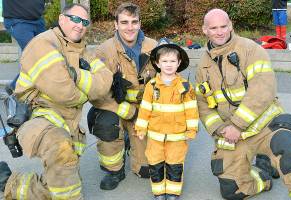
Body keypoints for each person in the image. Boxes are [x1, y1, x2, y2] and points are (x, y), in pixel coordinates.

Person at [0, 4, 113, 199]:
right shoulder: (43, 44)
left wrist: (74, 74)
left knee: (63, 185)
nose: (80, 25)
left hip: (69, 123)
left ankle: (6, 180)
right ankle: (9, 183)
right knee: (63, 164)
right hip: (39, 117)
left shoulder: (83, 49)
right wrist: (88, 89)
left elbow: (105, 82)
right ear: (61, 19)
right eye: (74, 19)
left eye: (84, 22)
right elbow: (65, 94)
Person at [195, 8, 291, 200]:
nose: (220, 32)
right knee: (232, 190)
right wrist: (221, 130)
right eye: (214, 28)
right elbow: (203, 104)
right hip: (234, 136)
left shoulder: (251, 50)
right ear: (205, 30)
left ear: (231, 25)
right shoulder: (203, 65)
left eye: (224, 26)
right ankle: (263, 175)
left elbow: (262, 90)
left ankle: (271, 159)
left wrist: (237, 125)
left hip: (265, 127)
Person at [87, 2, 157, 190]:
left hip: (143, 110)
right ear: (116, 25)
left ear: (140, 23)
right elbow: (95, 93)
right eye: (124, 22)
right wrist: (124, 109)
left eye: (134, 22)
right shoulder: (104, 51)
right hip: (114, 107)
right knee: (106, 124)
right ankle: (114, 170)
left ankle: (131, 144)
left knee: (145, 171)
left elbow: (168, 82)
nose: (130, 27)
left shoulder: (154, 47)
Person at [135, 38, 199, 200]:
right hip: (155, 137)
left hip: (177, 138)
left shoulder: (185, 86)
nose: (168, 64)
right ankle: (158, 193)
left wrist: (192, 130)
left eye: (172, 61)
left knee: (175, 166)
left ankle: (172, 193)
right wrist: (141, 128)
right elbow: (145, 108)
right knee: (155, 165)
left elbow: (191, 110)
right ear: (157, 63)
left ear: (178, 63)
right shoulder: (151, 86)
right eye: (164, 61)